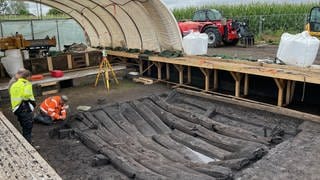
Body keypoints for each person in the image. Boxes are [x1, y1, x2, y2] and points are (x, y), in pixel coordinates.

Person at [9, 69, 35, 143]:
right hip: (24, 108)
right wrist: (32, 103)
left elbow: (12, 94)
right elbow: (26, 96)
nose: (31, 78)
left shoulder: (14, 84)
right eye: (31, 77)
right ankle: (29, 145)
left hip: (16, 108)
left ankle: (25, 140)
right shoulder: (26, 84)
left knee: (23, 126)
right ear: (28, 77)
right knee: (27, 127)